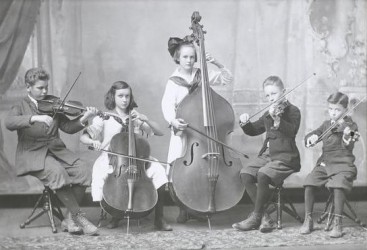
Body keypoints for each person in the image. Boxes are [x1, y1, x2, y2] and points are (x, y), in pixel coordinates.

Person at [5, 68, 99, 235]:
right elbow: (9, 122)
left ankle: (70, 219)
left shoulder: (53, 104)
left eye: (46, 87)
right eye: (40, 88)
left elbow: (68, 127)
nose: (45, 91)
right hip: (32, 153)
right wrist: (35, 118)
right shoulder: (19, 105)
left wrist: (85, 117)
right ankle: (80, 217)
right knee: (57, 172)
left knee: (83, 170)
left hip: (56, 150)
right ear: (28, 87)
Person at [80, 81, 172, 231]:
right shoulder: (104, 117)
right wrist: (92, 141)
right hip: (113, 159)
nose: (124, 100)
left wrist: (144, 119)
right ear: (113, 97)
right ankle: (115, 214)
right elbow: (83, 138)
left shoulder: (135, 118)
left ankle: (159, 218)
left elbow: (159, 132)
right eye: (121, 96)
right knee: (104, 174)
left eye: (127, 96)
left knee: (159, 171)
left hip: (137, 158)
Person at [161, 37, 233, 223]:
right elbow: (167, 105)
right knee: (180, 172)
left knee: (202, 169)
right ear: (178, 58)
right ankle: (184, 208)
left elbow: (227, 79)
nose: (189, 60)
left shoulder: (203, 74)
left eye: (193, 57)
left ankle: (200, 207)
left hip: (204, 130)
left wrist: (215, 62)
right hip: (185, 134)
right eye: (185, 57)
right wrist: (173, 120)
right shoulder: (174, 82)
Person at [232, 76, 301, 233]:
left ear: (283, 92)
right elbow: (254, 130)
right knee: (245, 174)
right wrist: (245, 122)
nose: (271, 98)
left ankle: (256, 217)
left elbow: (291, 132)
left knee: (263, 174)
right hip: (268, 156)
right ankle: (264, 217)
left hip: (285, 156)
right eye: (268, 95)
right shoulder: (268, 114)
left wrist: (278, 121)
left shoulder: (293, 111)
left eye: (274, 94)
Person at [300, 92, 360, 238]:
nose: (333, 113)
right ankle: (308, 219)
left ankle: (338, 222)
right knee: (309, 182)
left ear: (345, 110)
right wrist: (312, 137)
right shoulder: (326, 124)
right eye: (331, 109)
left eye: (337, 110)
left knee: (338, 185)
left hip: (343, 165)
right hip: (325, 163)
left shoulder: (350, 126)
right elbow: (313, 134)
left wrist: (348, 134)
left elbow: (353, 137)